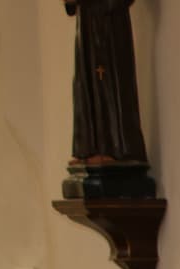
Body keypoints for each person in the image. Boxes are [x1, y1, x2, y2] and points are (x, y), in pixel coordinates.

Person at [63, 0, 148, 164]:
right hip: (86, 25)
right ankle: (87, 147)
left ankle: (112, 148)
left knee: (106, 83)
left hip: (108, 26)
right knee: (84, 84)